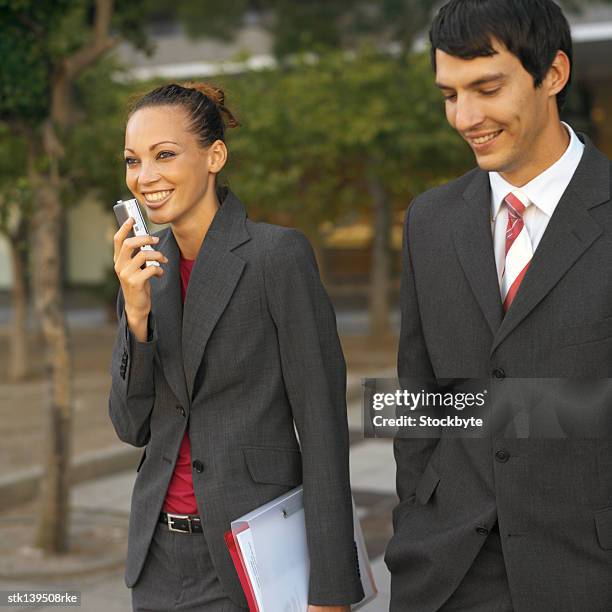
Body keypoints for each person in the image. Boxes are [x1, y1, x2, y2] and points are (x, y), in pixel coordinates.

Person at [385, 0, 612, 610]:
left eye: (487, 88)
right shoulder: (429, 220)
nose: (466, 117)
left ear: (554, 74)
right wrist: (416, 512)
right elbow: (420, 394)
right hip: (444, 569)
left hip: (587, 572)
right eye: (449, 94)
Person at [109, 82, 364, 612]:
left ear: (214, 156)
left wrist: (332, 589)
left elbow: (322, 428)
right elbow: (131, 426)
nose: (145, 177)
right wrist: (136, 315)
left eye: (165, 155)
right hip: (155, 560)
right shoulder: (143, 269)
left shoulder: (276, 257)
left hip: (250, 556)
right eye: (134, 161)